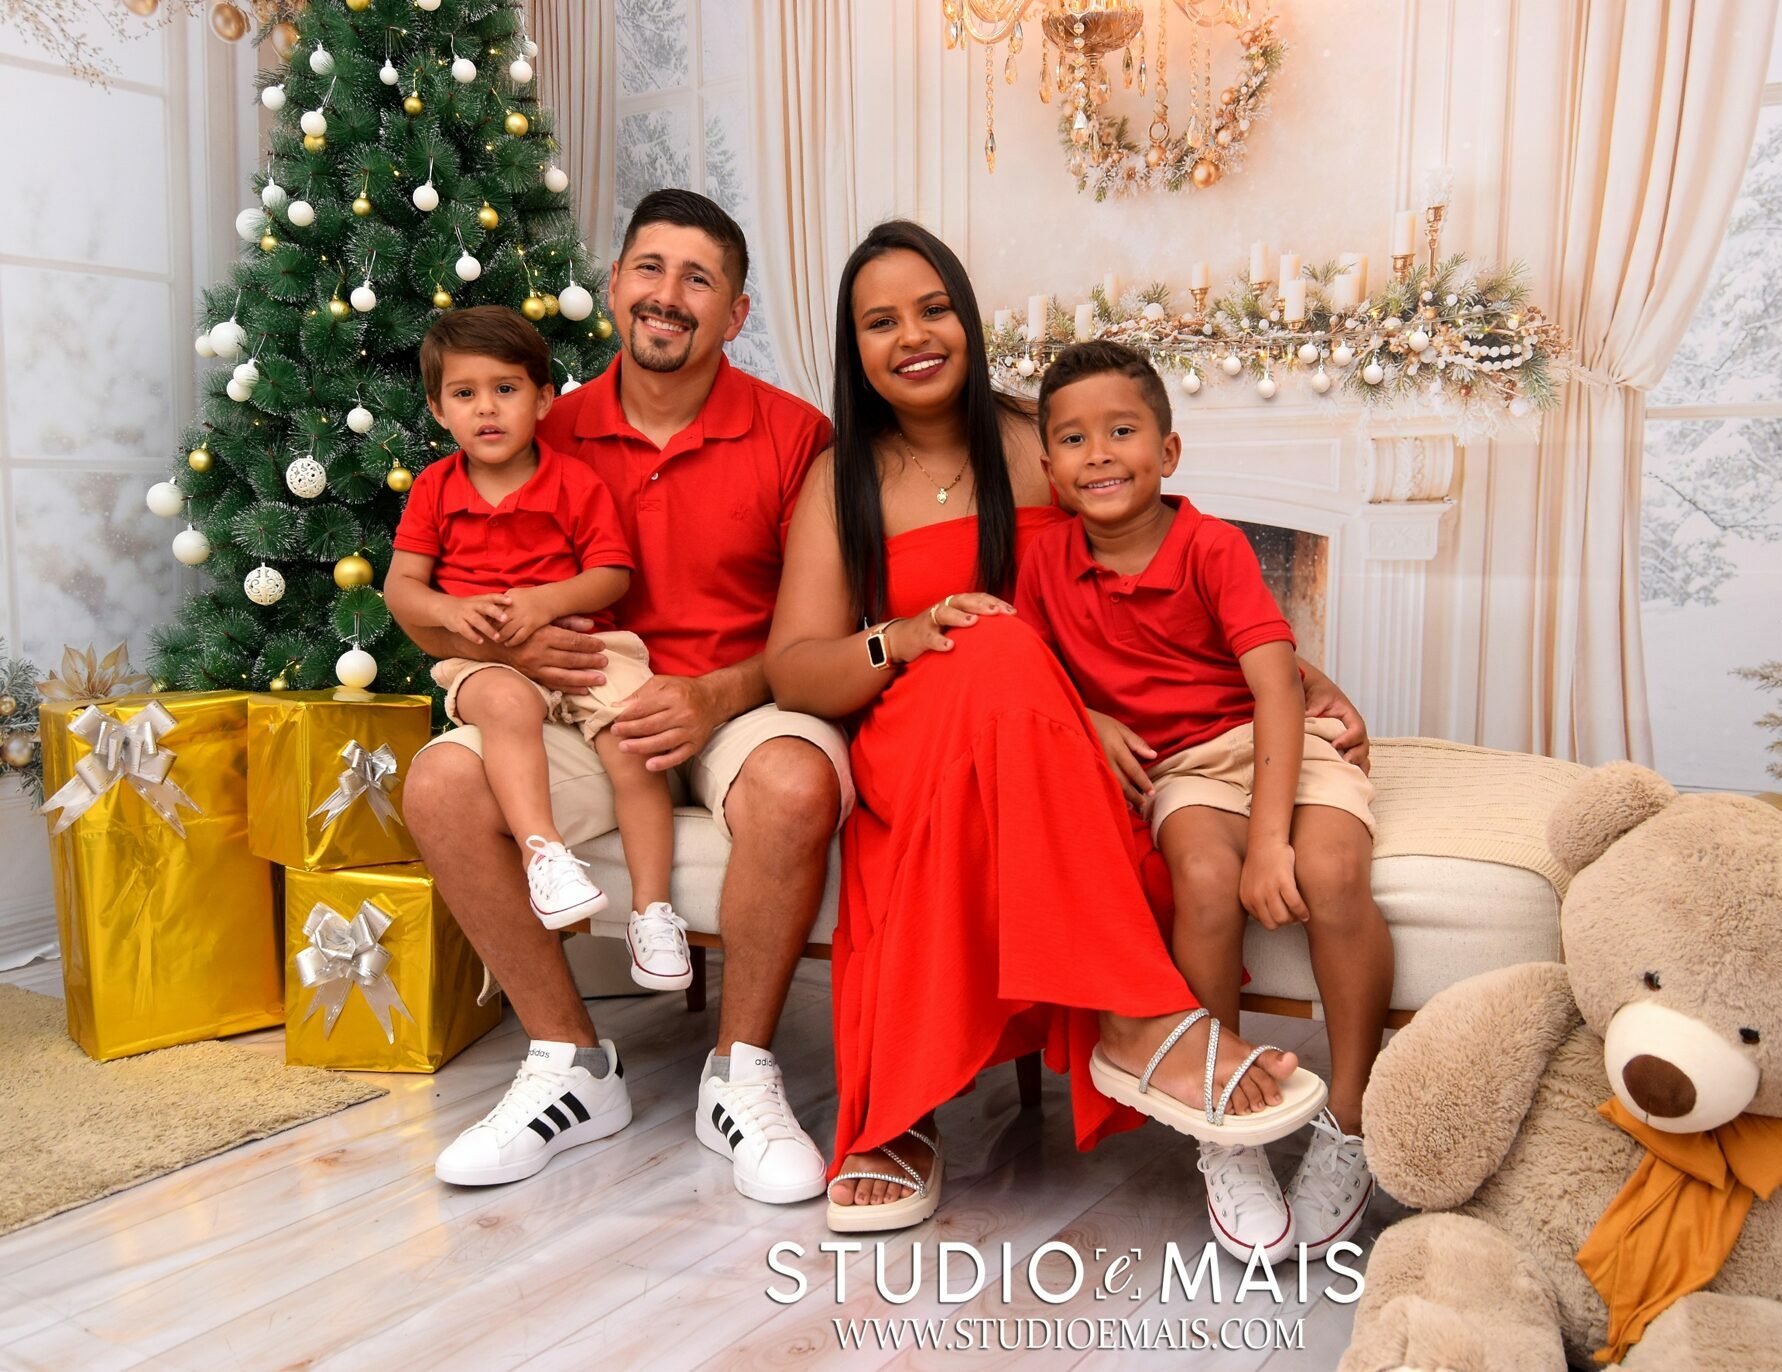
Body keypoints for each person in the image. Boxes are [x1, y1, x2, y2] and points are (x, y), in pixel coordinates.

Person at [765, 221, 1373, 1232]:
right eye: (880, 321)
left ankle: (1042, 1061)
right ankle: (1137, 1016)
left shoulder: (1042, 441)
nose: (912, 336)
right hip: (920, 734)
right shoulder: (843, 480)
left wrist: (1289, 672)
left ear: (968, 320)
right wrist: (901, 636)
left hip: (1053, 740)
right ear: (853, 345)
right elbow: (793, 671)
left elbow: (1148, 568)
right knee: (992, 640)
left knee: (1006, 646)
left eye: (933, 309)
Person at [396, 191, 854, 1201]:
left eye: (699, 278)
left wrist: (713, 697)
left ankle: (741, 1075)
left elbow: (819, 631)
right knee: (439, 784)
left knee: (794, 784)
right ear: (614, 287)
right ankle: (570, 1065)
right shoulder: (534, 423)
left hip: (743, 701)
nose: (667, 294)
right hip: (579, 699)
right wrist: (515, 646)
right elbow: (433, 604)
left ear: (736, 312)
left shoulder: (797, 437)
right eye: (649, 267)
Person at [1018, 341, 1391, 1266]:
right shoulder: (1043, 562)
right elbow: (1019, 672)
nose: (1099, 454)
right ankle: (1224, 1123)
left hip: (1272, 739)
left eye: (1122, 430)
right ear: (1050, 468)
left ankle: (1351, 1121)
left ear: (1169, 451)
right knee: (1200, 874)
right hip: (1182, 768)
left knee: (1331, 869)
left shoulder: (1212, 546)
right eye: (1074, 438)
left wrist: (1272, 843)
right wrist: (1088, 715)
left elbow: (1275, 690)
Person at [387, 306, 679, 952]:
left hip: (587, 647)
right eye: (464, 394)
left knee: (634, 743)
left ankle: (653, 913)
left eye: (505, 389)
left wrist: (544, 603)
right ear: (438, 410)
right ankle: (544, 855)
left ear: (544, 400)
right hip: (483, 660)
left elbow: (611, 575)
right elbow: (402, 588)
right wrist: (450, 610)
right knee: (504, 701)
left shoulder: (574, 482)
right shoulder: (434, 489)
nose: (486, 409)